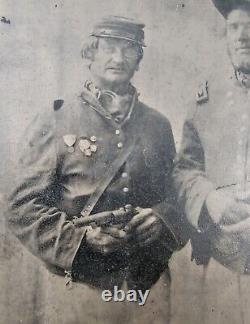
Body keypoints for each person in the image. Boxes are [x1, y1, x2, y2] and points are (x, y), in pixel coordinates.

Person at [7, 16, 186, 323]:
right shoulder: (56, 119)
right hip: (80, 288)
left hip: (148, 286)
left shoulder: (158, 125)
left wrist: (162, 219)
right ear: (90, 53)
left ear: (138, 59)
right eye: (109, 47)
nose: (118, 58)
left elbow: (180, 196)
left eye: (128, 49)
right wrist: (81, 240)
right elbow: (20, 206)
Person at [173, 1, 250, 323]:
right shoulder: (206, 99)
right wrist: (211, 199)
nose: (242, 37)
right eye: (234, 27)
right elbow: (184, 169)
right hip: (225, 257)